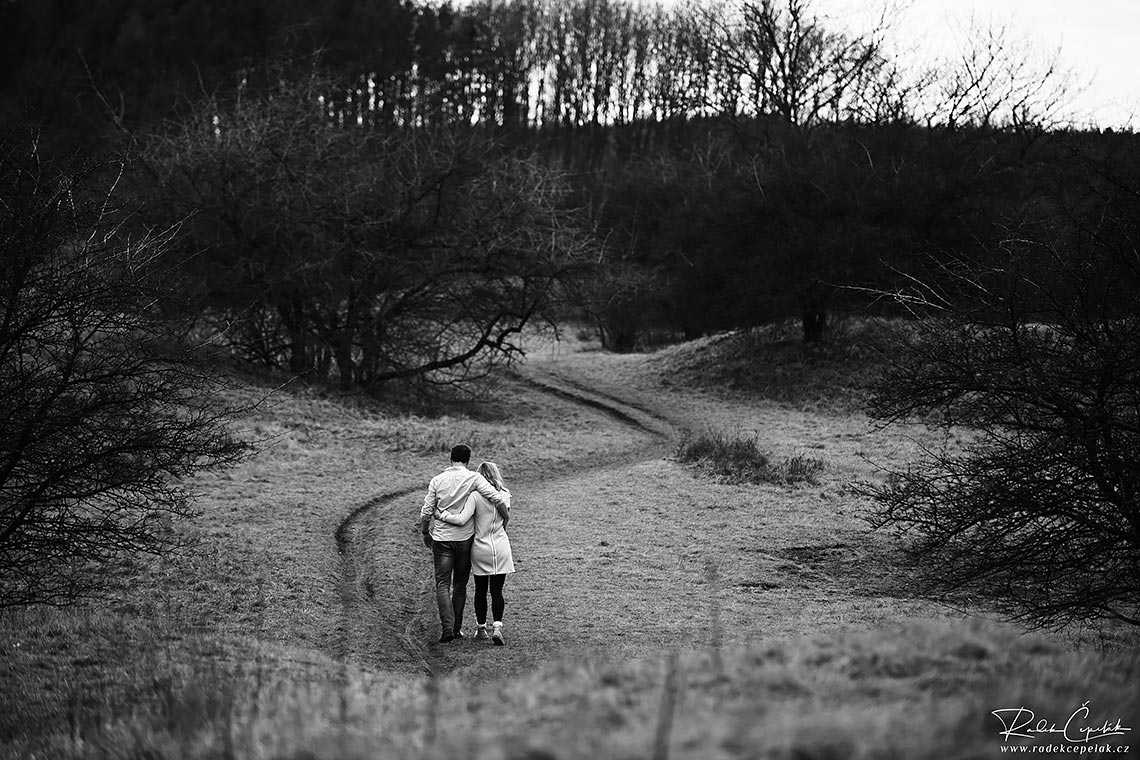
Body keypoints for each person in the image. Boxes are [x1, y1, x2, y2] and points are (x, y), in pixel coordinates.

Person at [421, 444, 506, 644]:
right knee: (460, 585)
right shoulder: (473, 478)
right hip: (464, 539)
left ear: (450, 458)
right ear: (468, 460)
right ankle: (457, 628)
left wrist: (426, 531)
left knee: (442, 583)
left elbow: (426, 511)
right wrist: (506, 516)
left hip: (442, 539)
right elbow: (496, 497)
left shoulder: (437, 480)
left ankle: (447, 628)